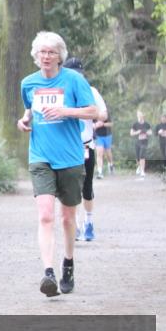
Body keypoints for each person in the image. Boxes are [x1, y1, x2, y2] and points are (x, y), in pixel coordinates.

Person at [17, 32, 98, 297]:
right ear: (36, 55)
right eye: (42, 52)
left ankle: (68, 263)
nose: (46, 56)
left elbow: (92, 111)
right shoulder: (28, 83)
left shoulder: (74, 80)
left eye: (51, 52)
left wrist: (66, 111)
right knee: (45, 215)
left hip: (71, 157)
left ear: (60, 55)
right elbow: (29, 111)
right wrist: (24, 121)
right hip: (40, 156)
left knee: (67, 217)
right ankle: (48, 272)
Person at [61, 57, 107, 242]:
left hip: (87, 145)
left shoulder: (91, 91)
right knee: (72, 189)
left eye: (79, 74)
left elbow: (102, 112)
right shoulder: (61, 92)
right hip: (67, 147)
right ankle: (76, 226)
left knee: (87, 188)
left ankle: (88, 222)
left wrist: (94, 118)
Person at [130, 111, 152, 178]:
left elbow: (150, 132)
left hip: (144, 141)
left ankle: (142, 171)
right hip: (137, 141)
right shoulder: (135, 124)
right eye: (138, 115)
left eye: (140, 115)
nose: (139, 116)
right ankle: (139, 167)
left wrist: (146, 132)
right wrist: (138, 132)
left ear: (143, 116)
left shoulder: (147, 124)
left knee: (142, 155)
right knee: (137, 157)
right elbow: (131, 133)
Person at [94, 112, 114, 178]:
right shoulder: (94, 112)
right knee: (99, 153)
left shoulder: (106, 112)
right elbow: (91, 124)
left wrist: (103, 124)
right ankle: (100, 172)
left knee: (108, 153)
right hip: (98, 136)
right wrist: (95, 125)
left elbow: (111, 124)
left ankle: (111, 164)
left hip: (107, 135)